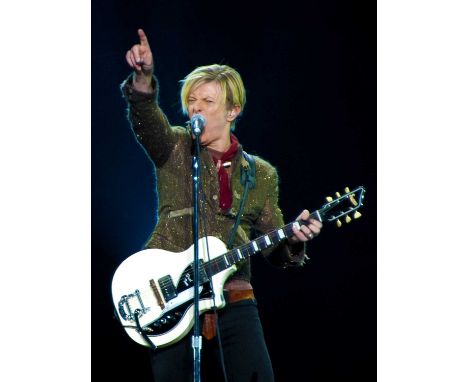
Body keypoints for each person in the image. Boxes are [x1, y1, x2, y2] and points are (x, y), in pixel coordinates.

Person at [121, 28, 323, 382]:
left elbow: (274, 246)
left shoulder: (260, 174)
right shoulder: (176, 148)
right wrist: (143, 78)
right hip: (173, 295)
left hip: (234, 295)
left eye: (207, 102)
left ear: (233, 110)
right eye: (192, 101)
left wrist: (295, 238)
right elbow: (147, 123)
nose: (195, 108)